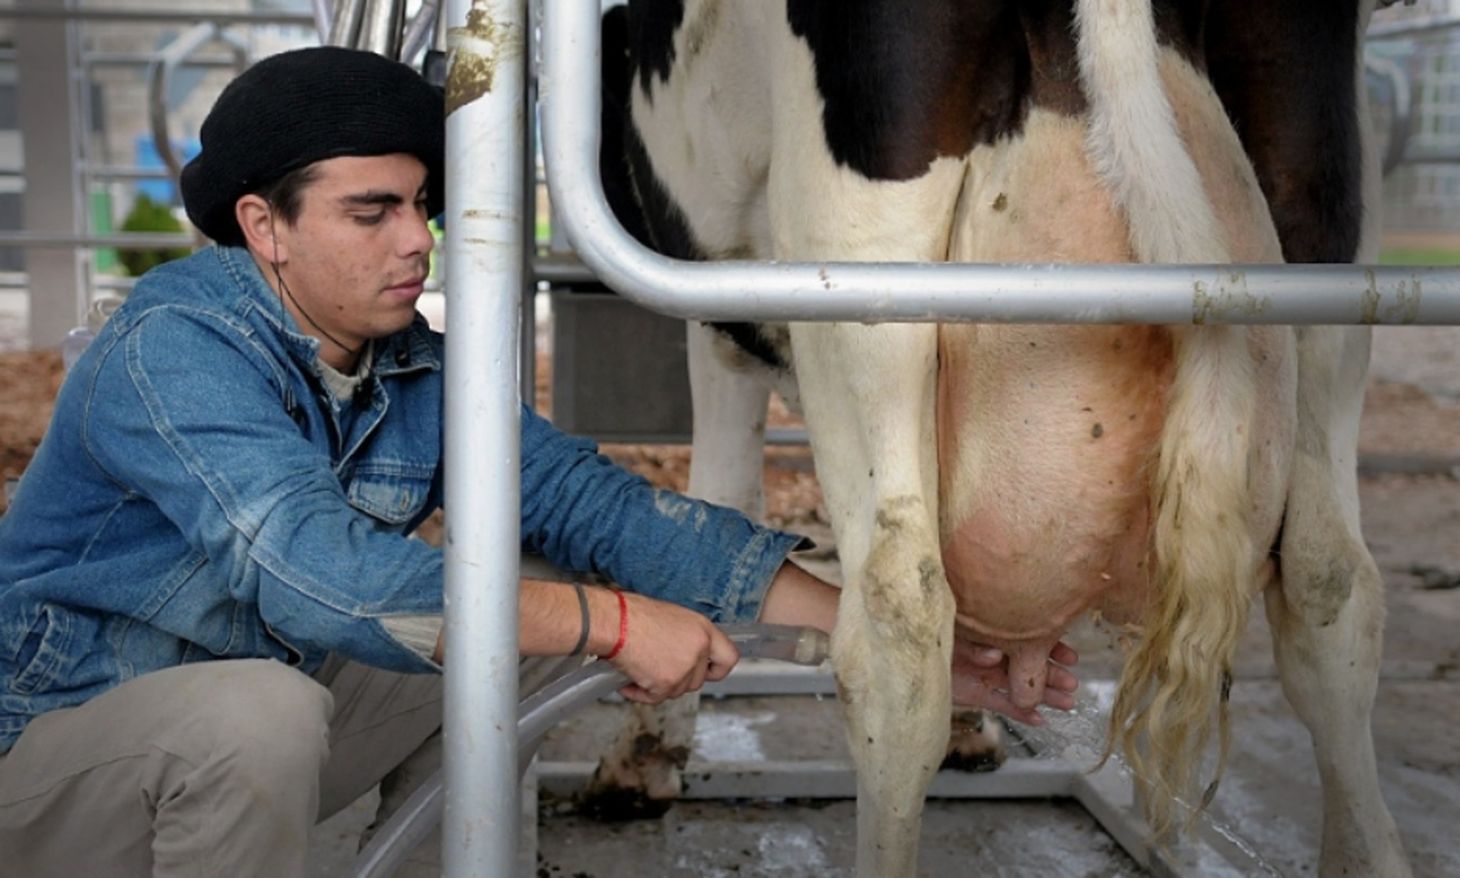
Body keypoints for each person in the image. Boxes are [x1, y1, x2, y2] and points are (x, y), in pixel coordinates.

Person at [0, 46, 1077, 875]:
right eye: (370, 211)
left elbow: (592, 505)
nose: (417, 239)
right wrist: (615, 624)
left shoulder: (407, 365)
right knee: (270, 709)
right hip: (52, 766)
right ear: (262, 227)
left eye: (420, 204)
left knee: (531, 617)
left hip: (233, 743)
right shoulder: (173, 347)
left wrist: (887, 629)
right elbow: (313, 573)